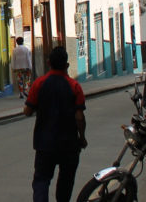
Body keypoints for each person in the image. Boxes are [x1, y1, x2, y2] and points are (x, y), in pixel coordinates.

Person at [24, 46, 87, 202]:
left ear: (48, 63)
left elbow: (27, 111)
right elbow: (79, 116)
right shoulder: (74, 86)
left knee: (41, 180)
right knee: (66, 180)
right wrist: (82, 137)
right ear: (67, 65)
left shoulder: (39, 84)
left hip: (44, 142)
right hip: (69, 143)